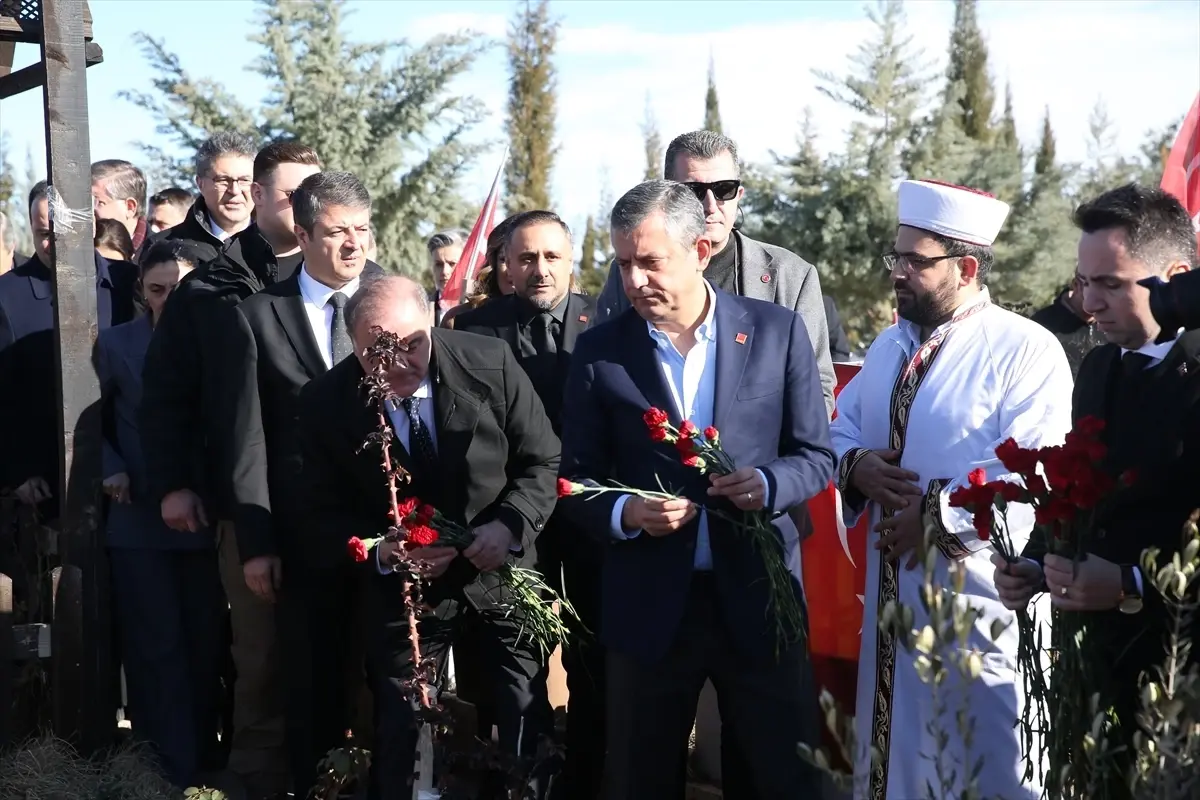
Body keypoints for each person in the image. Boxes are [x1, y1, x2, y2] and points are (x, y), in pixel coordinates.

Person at [557, 180, 835, 799]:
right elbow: (574, 481)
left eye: (650, 262)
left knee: (781, 778)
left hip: (761, 602)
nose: (633, 281)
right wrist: (629, 511)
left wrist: (766, 484)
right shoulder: (601, 352)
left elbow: (816, 456)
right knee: (640, 778)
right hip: (650, 609)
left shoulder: (776, 331)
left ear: (703, 248)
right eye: (623, 263)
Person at [829, 179, 1073, 798]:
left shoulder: (1025, 349)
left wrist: (935, 516)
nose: (898, 272)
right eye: (897, 258)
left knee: (980, 762)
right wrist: (855, 466)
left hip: (978, 605)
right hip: (891, 603)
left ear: (965, 267)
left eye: (916, 260)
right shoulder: (888, 347)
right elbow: (837, 427)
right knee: (897, 766)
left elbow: (1034, 470)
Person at [295, 275, 560, 800]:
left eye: (412, 345)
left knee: (520, 706)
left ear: (434, 323)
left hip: (498, 572)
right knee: (406, 723)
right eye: (377, 353)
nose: (396, 364)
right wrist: (383, 552)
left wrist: (506, 527)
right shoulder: (327, 402)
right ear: (351, 343)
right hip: (406, 594)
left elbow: (543, 461)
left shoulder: (490, 363)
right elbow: (316, 511)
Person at [995, 184, 1200, 797]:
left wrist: (1134, 583)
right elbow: (1080, 492)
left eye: (1111, 283)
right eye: (1084, 283)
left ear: (1177, 277)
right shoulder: (1100, 366)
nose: (1090, 304)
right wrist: (1035, 561)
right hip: (1100, 673)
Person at [140, 139, 324, 800]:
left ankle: (341, 772)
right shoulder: (212, 288)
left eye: (315, 192)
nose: (306, 206)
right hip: (249, 506)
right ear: (262, 197)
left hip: (335, 504)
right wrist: (173, 483)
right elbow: (165, 395)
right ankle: (257, 780)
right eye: (290, 194)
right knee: (262, 653)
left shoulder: (341, 279)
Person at [225, 171, 381, 795]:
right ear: (303, 231)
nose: (353, 245)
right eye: (337, 232)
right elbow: (247, 436)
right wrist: (257, 542)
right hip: (302, 538)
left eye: (363, 231)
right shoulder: (259, 316)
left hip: (391, 529)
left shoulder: (401, 303)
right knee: (307, 680)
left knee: (387, 677)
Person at [453, 210, 600, 799]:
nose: (540, 269)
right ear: (505, 266)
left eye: (552, 256)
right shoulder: (471, 331)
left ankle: (587, 779)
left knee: (595, 657)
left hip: (594, 519)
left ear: (571, 261)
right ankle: (524, 784)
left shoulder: (608, 323)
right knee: (519, 663)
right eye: (526, 258)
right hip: (512, 520)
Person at [593, 130, 835, 416]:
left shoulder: (791, 275)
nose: (710, 205)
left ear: (739, 195)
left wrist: (763, 455)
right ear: (669, 195)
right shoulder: (630, 273)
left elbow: (817, 388)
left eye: (724, 190)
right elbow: (603, 372)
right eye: (694, 191)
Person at [98, 239, 222, 789]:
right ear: (141, 292)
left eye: (182, 289)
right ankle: (160, 768)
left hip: (208, 519)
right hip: (138, 520)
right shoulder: (116, 344)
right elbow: (89, 422)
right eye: (157, 290)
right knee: (155, 646)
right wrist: (111, 466)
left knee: (204, 644)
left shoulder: (220, 341)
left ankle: (201, 759)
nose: (169, 300)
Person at [0, 181, 137, 519]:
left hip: (131, 480)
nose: (53, 244)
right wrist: (16, 471)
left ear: (90, 223)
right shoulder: (7, 297)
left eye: (61, 232)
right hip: (45, 487)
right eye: (43, 233)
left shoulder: (128, 283)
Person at [154, 132, 257, 262]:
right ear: (200, 183)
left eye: (244, 180)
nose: (234, 190)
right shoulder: (162, 248)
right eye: (223, 180)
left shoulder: (280, 246)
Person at [92, 159, 150, 254]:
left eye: (98, 202)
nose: (88, 211)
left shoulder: (160, 255)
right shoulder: (75, 249)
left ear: (130, 207)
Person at [426, 229, 467, 324]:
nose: (445, 271)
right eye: (439, 264)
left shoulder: (478, 308)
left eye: (452, 264)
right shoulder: (421, 309)